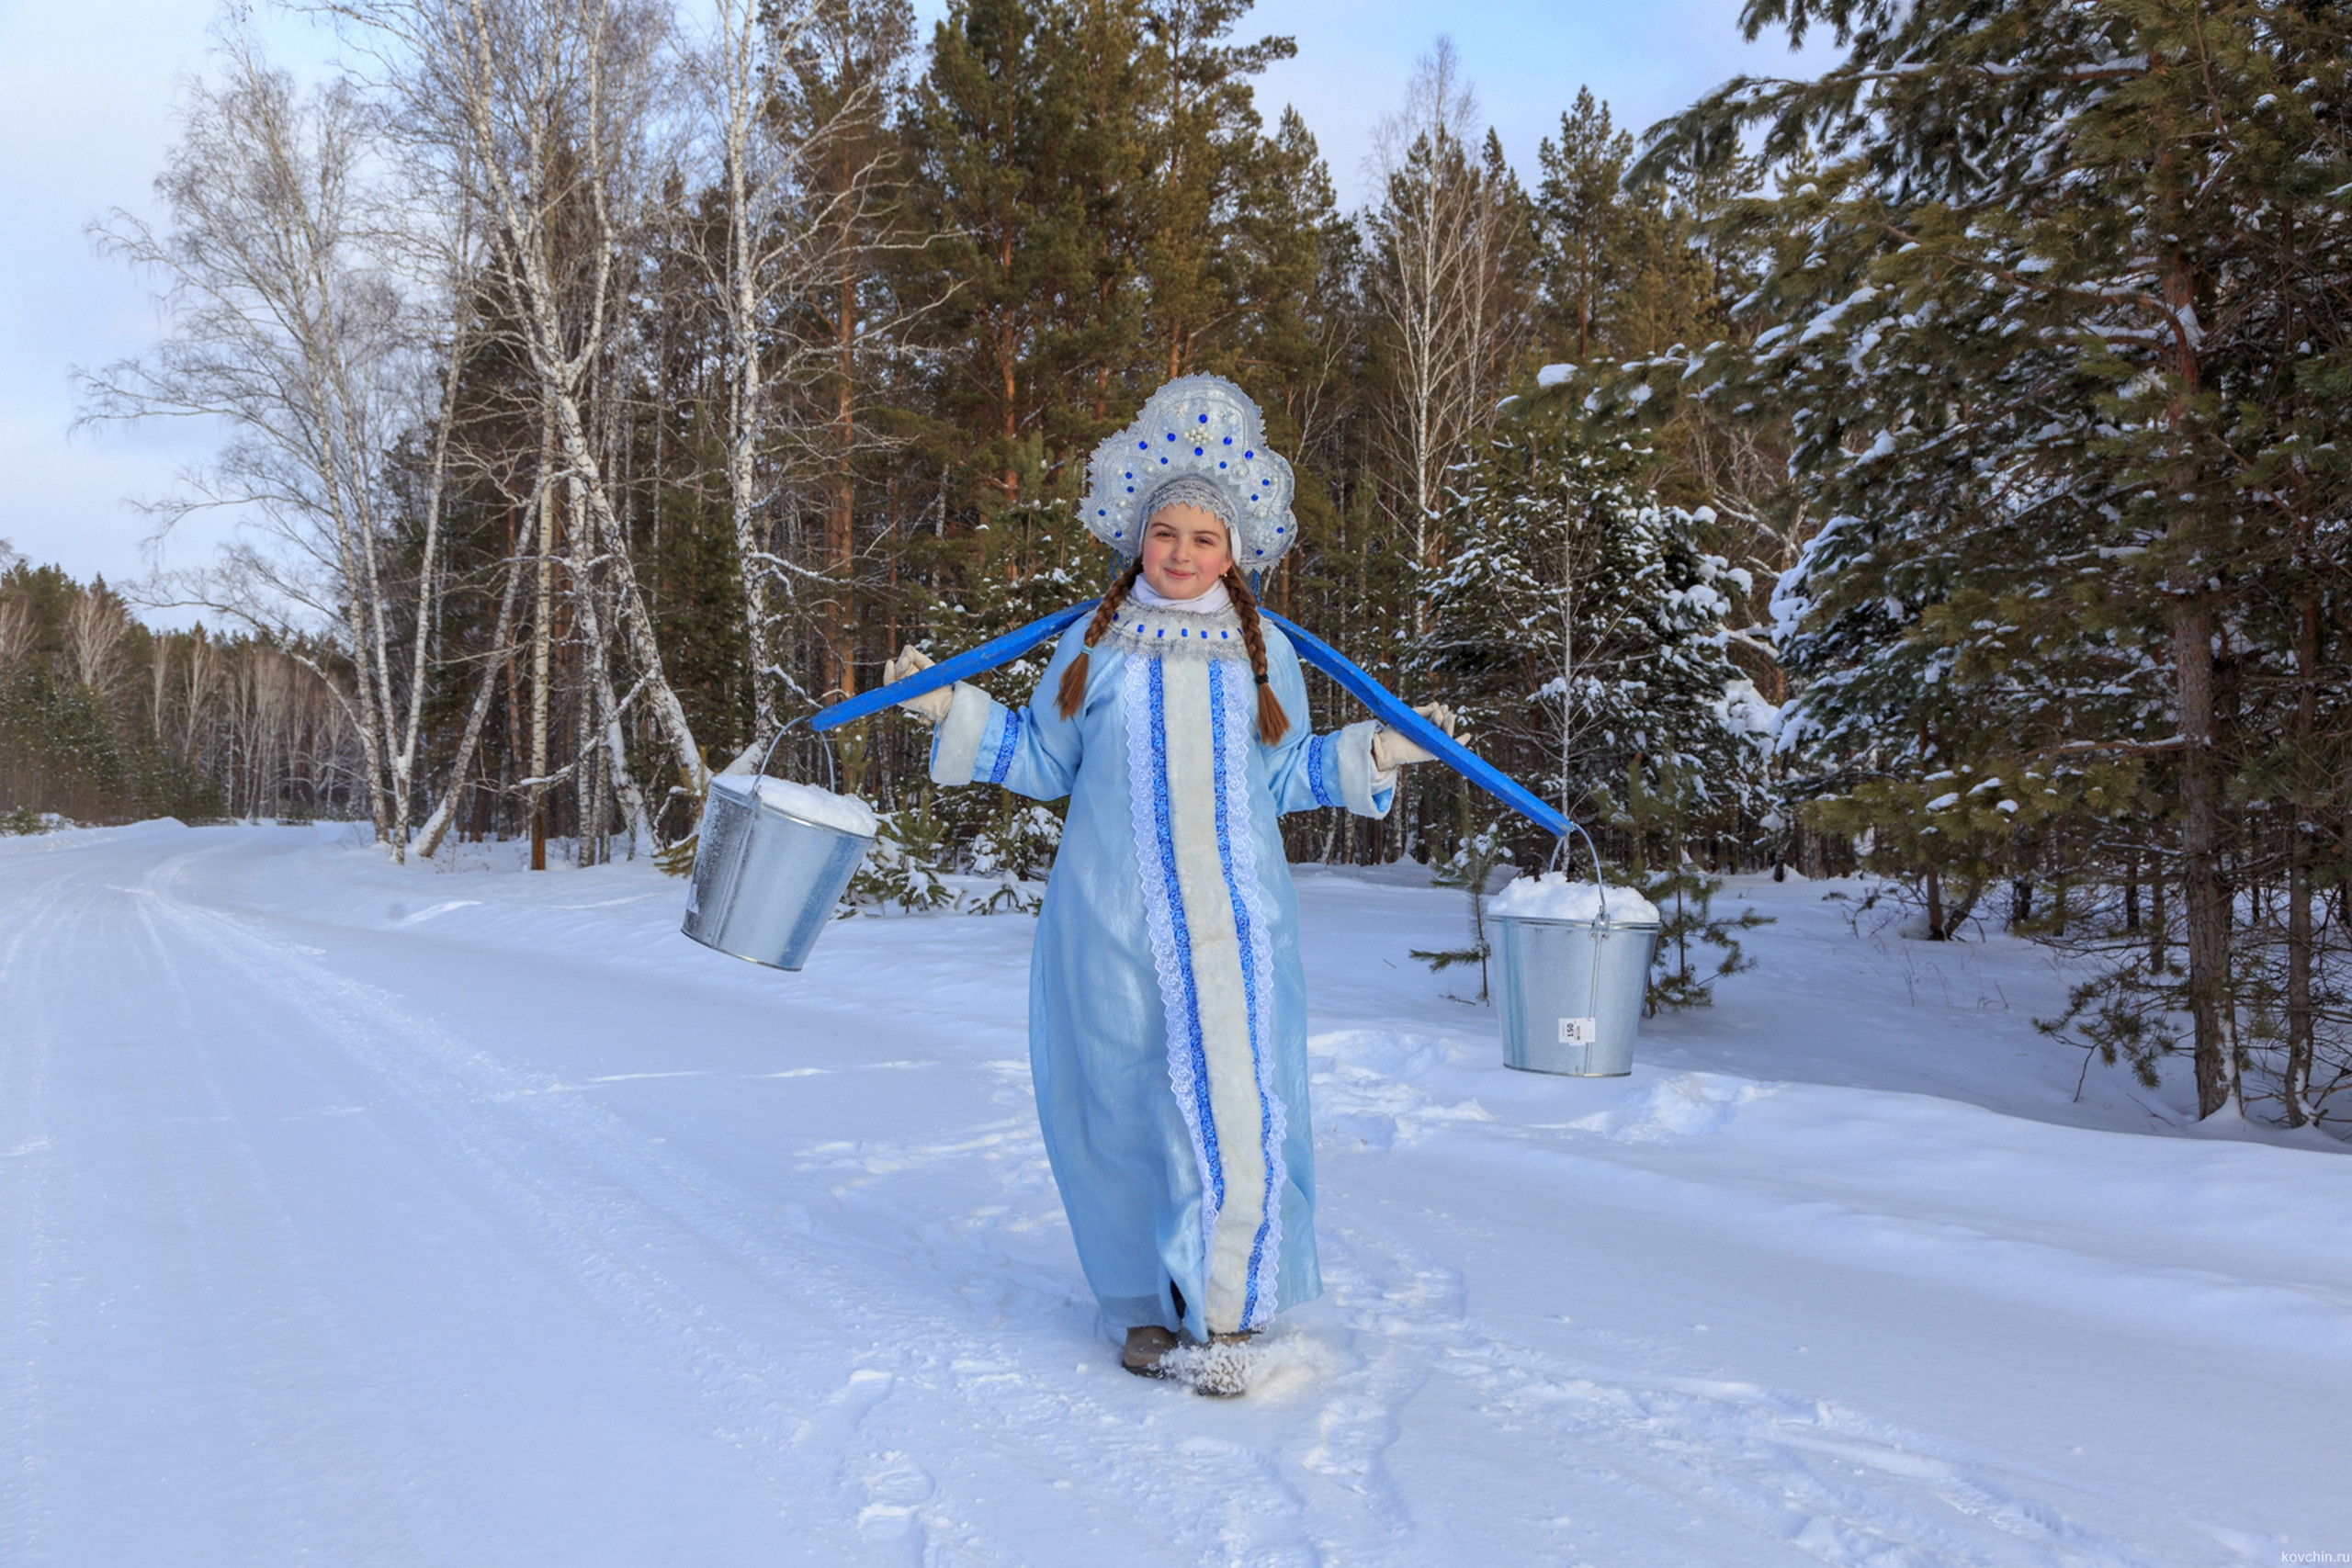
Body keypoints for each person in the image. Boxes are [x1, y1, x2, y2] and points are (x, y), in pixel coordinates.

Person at [885, 376, 1449, 1395]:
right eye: (1166, 534)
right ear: (1137, 539)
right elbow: (1042, 761)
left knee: (1237, 1101)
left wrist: (1383, 749)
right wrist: (949, 711)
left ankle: (1228, 1314)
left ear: (1235, 551)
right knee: (1119, 1110)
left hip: (1237, 921)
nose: (1183, 553)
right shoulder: (1090, 644)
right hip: (1109, 927)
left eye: (1204, 538)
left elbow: (1290, 774)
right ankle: (1147, 1307)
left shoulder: (1263, 649)